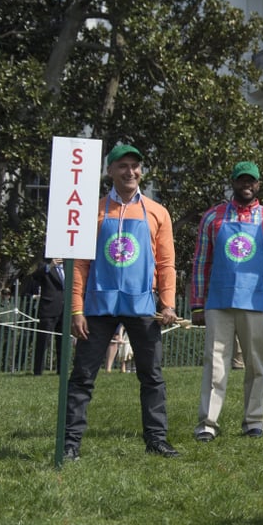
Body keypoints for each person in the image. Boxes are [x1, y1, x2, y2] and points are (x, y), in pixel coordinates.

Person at [63, 143, 180, 460]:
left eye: (135, 166)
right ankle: (70, 444)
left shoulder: (158, 212)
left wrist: (167, 304)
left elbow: (166, 263)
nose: (130, 171)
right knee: (82, 377)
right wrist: (76, 309)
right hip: (98, 308)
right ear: (110, 171)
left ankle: (156, 440)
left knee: (152, 377)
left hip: (143, 306)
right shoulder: (93, 210)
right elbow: (80, 265)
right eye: (123, 166)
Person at [191, 161, 263, 441]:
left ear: (258, 185)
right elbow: (200, 262)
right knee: (215, 362)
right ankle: (207, 423)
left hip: (256, 302)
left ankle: (254, 420)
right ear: (233, 182)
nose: (247, 184)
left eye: (252, 181)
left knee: (256, 364)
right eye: (242, 180)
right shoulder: (212, 217)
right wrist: (197, 303)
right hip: (218, 301)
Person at [30, 258, 64, 376]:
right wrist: (50, 266)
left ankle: (61, 370)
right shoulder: (45, 264)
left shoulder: (69, 268)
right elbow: (35, 276)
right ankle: (38, 371)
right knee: (43, 341)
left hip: (64, 310)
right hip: (49, 309)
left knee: (62, 341)